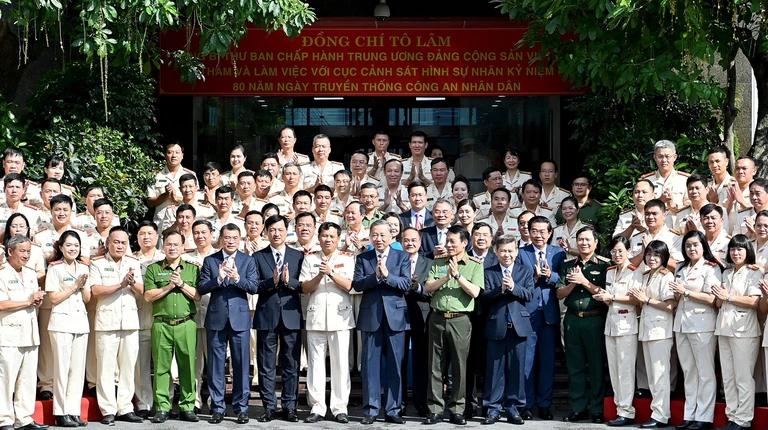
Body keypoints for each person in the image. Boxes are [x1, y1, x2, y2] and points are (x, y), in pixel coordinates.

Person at [351, 219, 411, 424]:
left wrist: (387, 276)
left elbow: (405, 284)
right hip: (371, 317)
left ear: (391, 236)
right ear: (370, 236)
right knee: (370, 365)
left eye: (382, 235)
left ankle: (393, 409)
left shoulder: (402, 256)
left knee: (395, 365)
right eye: (374, 235)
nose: (378, 239)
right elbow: (357, 284)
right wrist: (375, 278)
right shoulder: (363, 258)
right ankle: (371, 409)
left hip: (396, 318)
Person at [422, 225, 483, 425]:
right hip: (437, 318)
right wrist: (446, 276)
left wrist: (458, 276)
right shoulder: (438, 262)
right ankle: (435, 409)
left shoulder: (474, 264)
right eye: (447, 241)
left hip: (460, 319)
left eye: (452, 241)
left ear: (464, 243)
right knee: (435, 366)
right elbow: (427, 287)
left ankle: (458, 408)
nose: (448, 245)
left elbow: (475, 292)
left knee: (460, 365)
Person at [198, 223, 258, 424]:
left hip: (240, 320)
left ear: (240, 239)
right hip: (216, 319)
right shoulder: (210, 260)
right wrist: (219, 277)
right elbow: (202, 287)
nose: (231, 241)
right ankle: (217, 407)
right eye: (227, 238)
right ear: (221, 239)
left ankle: (242, 408)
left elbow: (253, 287)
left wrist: (238, 278)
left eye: (234, 238)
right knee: (215, 365)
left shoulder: (247, 260)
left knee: (241, 365)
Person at [299, 222, 355, 423]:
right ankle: (317, 406)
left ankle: (340, 407)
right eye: (324, 236)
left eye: (332, 236)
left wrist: (331, 272)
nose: (328, 239)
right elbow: (304, 287)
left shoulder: (347, 258)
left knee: (340, 364)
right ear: (319, 237)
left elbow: (350, 285)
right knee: (315, 364)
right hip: (316, 317)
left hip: (340, 318)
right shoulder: (310, 258)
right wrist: (319, 274)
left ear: (338, 238)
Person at [143, 231, 201, 423]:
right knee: (161, 367)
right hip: (162, 324)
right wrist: (169, 286)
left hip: (186, 323)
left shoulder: (192, 269)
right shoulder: (153, 269)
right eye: (169, 244)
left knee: (188, 366)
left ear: (183, 247)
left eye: (176, 244)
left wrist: (181, 283)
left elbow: (198, 296)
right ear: (163, 246)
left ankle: (187, 406)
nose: (173, 248)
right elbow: (148, 296)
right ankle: (162, 407)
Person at [556, 225, 611, 423]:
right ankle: (578, 407)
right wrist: (573, 283)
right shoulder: (568, 264)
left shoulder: (605, 265)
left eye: (588, 240)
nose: (584, 243)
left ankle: (597, 409)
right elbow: (559, 293)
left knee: (596, 366)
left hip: (594, 318)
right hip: (572, 319)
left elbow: (606, 295)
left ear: (596, 243)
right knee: (575, 366)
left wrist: (584, 281)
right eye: (580, 240)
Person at [89, 227, 144, 424]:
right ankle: (108, 409)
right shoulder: (98, 264)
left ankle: (126, 407)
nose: (119, 245)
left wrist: (130, 283)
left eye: (123, 242)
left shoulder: (133, 263)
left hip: (129, 321)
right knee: (105, 367)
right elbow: (95, 291)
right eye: (116, 242)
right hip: (107, 322)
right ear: (108, 243)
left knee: (128, 367)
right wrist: (120, 285)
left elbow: (142, 290)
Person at [252, 215, 303, 422]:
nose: (276, 233)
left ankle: (290, 407)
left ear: (287, 231)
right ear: (266, 232)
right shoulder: (257, 256)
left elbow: (304, 285)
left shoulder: (297, 256)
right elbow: (254, 286)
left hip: (291, 315)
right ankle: (269, 407)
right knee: (266, 364)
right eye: (272, 229)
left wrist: (289, 282)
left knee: (291, 363)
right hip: (267, 315)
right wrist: (271, 282)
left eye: (280, 229)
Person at [670, 230, 722, 430]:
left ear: (703, 247)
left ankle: (704, 416)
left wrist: (687, 292)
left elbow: (712, 299)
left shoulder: (711, 268)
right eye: (688, 245)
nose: (691, 249)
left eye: (695, 245)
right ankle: (689, 414)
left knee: (705, 372)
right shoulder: (681, 268)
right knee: (689, 371)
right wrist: (676, 293)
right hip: (682, 324)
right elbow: (677, 297)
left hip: (702, 325)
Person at [517, 215, 566, 420]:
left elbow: (564, 279)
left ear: (550, 233)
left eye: (543, 231)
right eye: (534, 231)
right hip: (528, 313)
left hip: (549, 314)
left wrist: (550, 276)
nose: (538, 235)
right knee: (526, 361)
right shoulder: (521, 253)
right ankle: (525, 405)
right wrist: (535, 277)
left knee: (547, 362)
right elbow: (517, 279)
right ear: (528, 231)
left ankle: (544, 405)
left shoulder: (558, 253)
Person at [481, 234, 534, 425]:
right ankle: (492, 408)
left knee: (517, 369)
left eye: (510, 251)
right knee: (494, 370)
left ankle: (514, 408)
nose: (506, 254)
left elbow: (529, 294)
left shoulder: (524, 271)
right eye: (503, 251)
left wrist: (513, 287)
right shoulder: (489, 272)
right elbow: (484, 297)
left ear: (516, 252)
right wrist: (500, 290)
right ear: (496, 252)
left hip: (518, 328)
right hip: (496, 326)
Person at [713, 235, 761, 430]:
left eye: (740, 249)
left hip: (744, 330)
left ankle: (743, 419)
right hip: (724, 328)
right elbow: (719, 302)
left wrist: (729, 296)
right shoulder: (727, 273)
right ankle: (732, 415)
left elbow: (754, 302)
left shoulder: (754, 272)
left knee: (743, 376)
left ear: (747, 251)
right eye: (732, 249)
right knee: (728, 377)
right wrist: (718, 296)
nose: (735, 253)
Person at [593, 236, 641, 427]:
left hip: (627, 323)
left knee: (625, 369)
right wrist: (606, 298)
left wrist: (611, 297)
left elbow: (636, 299)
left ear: (628, 251)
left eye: (620, 250)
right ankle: (619, 408)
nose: (617, 254)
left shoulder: (634, 272)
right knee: (614, 370)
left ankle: (627, 411)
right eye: (613, 251)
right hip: (611, 324)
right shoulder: (610, 271)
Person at [0, 235, 47, 430]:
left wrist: (36, 300)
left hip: (30, 331)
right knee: (6, 378)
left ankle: (24, 417)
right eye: (22, 251)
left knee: (27, 378)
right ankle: (5, 419)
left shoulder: (29, 274)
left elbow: (33, 300)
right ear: (10, 252)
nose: (26, 255)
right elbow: (2, 304)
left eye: (28, 251)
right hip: (9, 334)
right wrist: (28, 301)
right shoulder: (2, 274)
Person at [629, 241, 675, 429]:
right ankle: (657, 412)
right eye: (648, 255)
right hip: (647, 329)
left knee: (659, 375)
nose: (652, 258)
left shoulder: (666, 275)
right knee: (652, 375)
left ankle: (661, 415)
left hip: (660, 331)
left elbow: (670, 305)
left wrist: (646, 300)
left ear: (664, 257)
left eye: (656, 255)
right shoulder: (647, 275)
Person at [46, 231, 90, 428]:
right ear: (61, 248)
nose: (73, 249)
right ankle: (61, 411)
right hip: (62, 322)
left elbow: (87, 298)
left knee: (77, 370)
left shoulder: (83, 267)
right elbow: (54, 298)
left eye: (76, 246)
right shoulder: (55, 268)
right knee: (62, 369)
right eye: (69, 245)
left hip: (80, 321)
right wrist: (75, 286)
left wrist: (83, 286)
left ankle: (73, 411)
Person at [182, 220, 217, 413]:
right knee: (193, 362)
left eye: (204, 232)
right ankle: (194, 401)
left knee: (214, 362)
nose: (200, 236)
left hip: (214, 315)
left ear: (211, 234)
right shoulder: (186, 258)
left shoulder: (219, 256)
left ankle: (214, 400)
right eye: (196, 233)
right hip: (192, 315)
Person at [133, 221, 165, 420]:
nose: (146, 237)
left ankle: (165, 402)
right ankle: (144, 403)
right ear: (137, 237)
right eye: (142, 233)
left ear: (157, 236)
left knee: (164, 363)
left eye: (150, 233)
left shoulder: (165, 258)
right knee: (141, 365)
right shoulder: (130, 259)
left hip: (162, 316)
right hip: (139, 316)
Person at [400, 227, 432, 418]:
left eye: (414, 240)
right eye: (406, 240)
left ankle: (421, 402)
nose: (410, 243)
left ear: (420, 242)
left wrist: (418, 287)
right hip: (399, 315)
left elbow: (435, 289)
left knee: (422, 361)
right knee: (400, 361)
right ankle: (399, 402)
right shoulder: (394, 261)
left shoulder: (430, 263)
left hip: (423, 315)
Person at [147, 142, 198, 227]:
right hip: (162, 223)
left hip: (185, 223)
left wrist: (177, 198)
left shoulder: (191, 175)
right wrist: (166, 195)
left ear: (182, 155)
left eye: (177, 152)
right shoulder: (155, 175)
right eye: (170, 152)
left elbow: (195, 200)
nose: (174, 155)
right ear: (165, 155)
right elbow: (150, 202)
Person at [629, 199, 683, 269]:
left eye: (654, 214)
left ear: (664, 215)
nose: (650, 217)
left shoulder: (675, 238)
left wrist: (656, 252)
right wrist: (642, 254)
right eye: (647, 214)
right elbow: (627, 267)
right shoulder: (637, 238)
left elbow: (678, 267)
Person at [641, 139, 690, 210]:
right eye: (660, 157)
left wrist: (674, 206)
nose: (664, 160)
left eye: (667, 156)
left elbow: (691, 206)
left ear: (675, 157)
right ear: (655, 157)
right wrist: (660, 201)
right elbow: (642, 207)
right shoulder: (646, 181)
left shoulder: (685, 179)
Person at [0, 173, 42, 238]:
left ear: (23, 190)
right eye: (10, 187)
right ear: (4, 189)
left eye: (17, 187)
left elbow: (35, 236)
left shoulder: (32, 213)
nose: (14, 191)